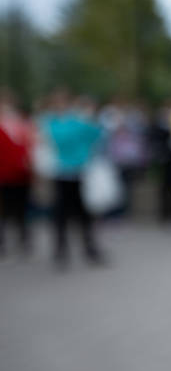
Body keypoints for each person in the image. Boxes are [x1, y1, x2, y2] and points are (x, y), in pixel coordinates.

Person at [42, 90, 106, 267]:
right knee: (61, 214)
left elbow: (97, 135)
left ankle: (89, 249)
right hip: (61, 173)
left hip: (79, 171)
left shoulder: (72, 121)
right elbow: (59, 140)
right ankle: (61, 251)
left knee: (83, 213)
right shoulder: (53, 122)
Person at [0, 93, 33, 258]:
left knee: (21, 208)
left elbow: (29, 147)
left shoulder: (23, 126)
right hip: (4, 174)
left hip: (21, 174)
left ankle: (23, 238)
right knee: (5, 209)